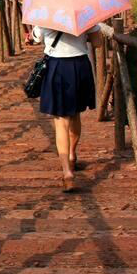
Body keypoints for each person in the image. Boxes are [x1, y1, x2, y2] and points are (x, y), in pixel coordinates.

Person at [32, 24, 103, 192]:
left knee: (61, 121)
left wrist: (34, 32)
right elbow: (98, 42)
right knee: (76, 114)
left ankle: (67, 172)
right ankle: (71, 154)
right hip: (80, 65)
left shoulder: (48, 12)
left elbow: (36, 37)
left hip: (56, 67)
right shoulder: (84, 12)